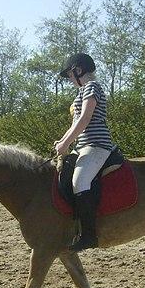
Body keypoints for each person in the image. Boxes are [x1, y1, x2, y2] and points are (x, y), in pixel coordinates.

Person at [54, 53, 115, 252]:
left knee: (80, 181)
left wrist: (67, 143)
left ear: (79, 70)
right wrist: (63, 142)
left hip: (97, 144)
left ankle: (89, 235)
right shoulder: (80, 93)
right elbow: (74, 124)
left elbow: (85, 119)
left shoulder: (92, 87)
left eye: (70, 75)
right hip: (82, 146)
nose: (70, 80)